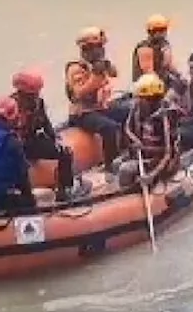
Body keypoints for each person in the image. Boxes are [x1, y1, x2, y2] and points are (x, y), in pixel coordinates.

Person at [64, 26, 126, 166]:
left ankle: (127, 150)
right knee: (109, 127)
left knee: (127, 112)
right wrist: (95, 78)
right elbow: (78, 93)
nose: (99, 50)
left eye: (100, 46)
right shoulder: (76, 68)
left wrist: (105, 67)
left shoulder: (97, 64)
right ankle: (111, 163)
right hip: (82, 113)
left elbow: (114, 73)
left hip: (99, 107)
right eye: (95, 47)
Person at [10, 69, 75, 200]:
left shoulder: (39, 103)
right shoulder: (10, 106)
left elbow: (46, 124)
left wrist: (55, 140)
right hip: (14, 146)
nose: (34, 96)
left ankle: (64, 189)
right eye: (31, 94)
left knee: (65, 153)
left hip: (32, 141)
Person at [122, 73, 182, 186]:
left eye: (141, 98)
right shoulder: (137, 108)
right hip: (144, 153)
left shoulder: (165, 117)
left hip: (160, 160)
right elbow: (127, 128)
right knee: (116, 164)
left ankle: (129, 191)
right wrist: (135, 141)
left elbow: (168, 154)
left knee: (125, 169)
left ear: (152, 99)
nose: (137, 100)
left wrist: (152, 175)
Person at [131, 14, 186, 92]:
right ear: (155, 32)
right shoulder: (145, 48)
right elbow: (148, 72)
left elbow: (170, 66)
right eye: (164, 30)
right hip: (146, 88)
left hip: (160, 83)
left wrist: (179, 76)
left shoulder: (164, 45)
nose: (165, 33)